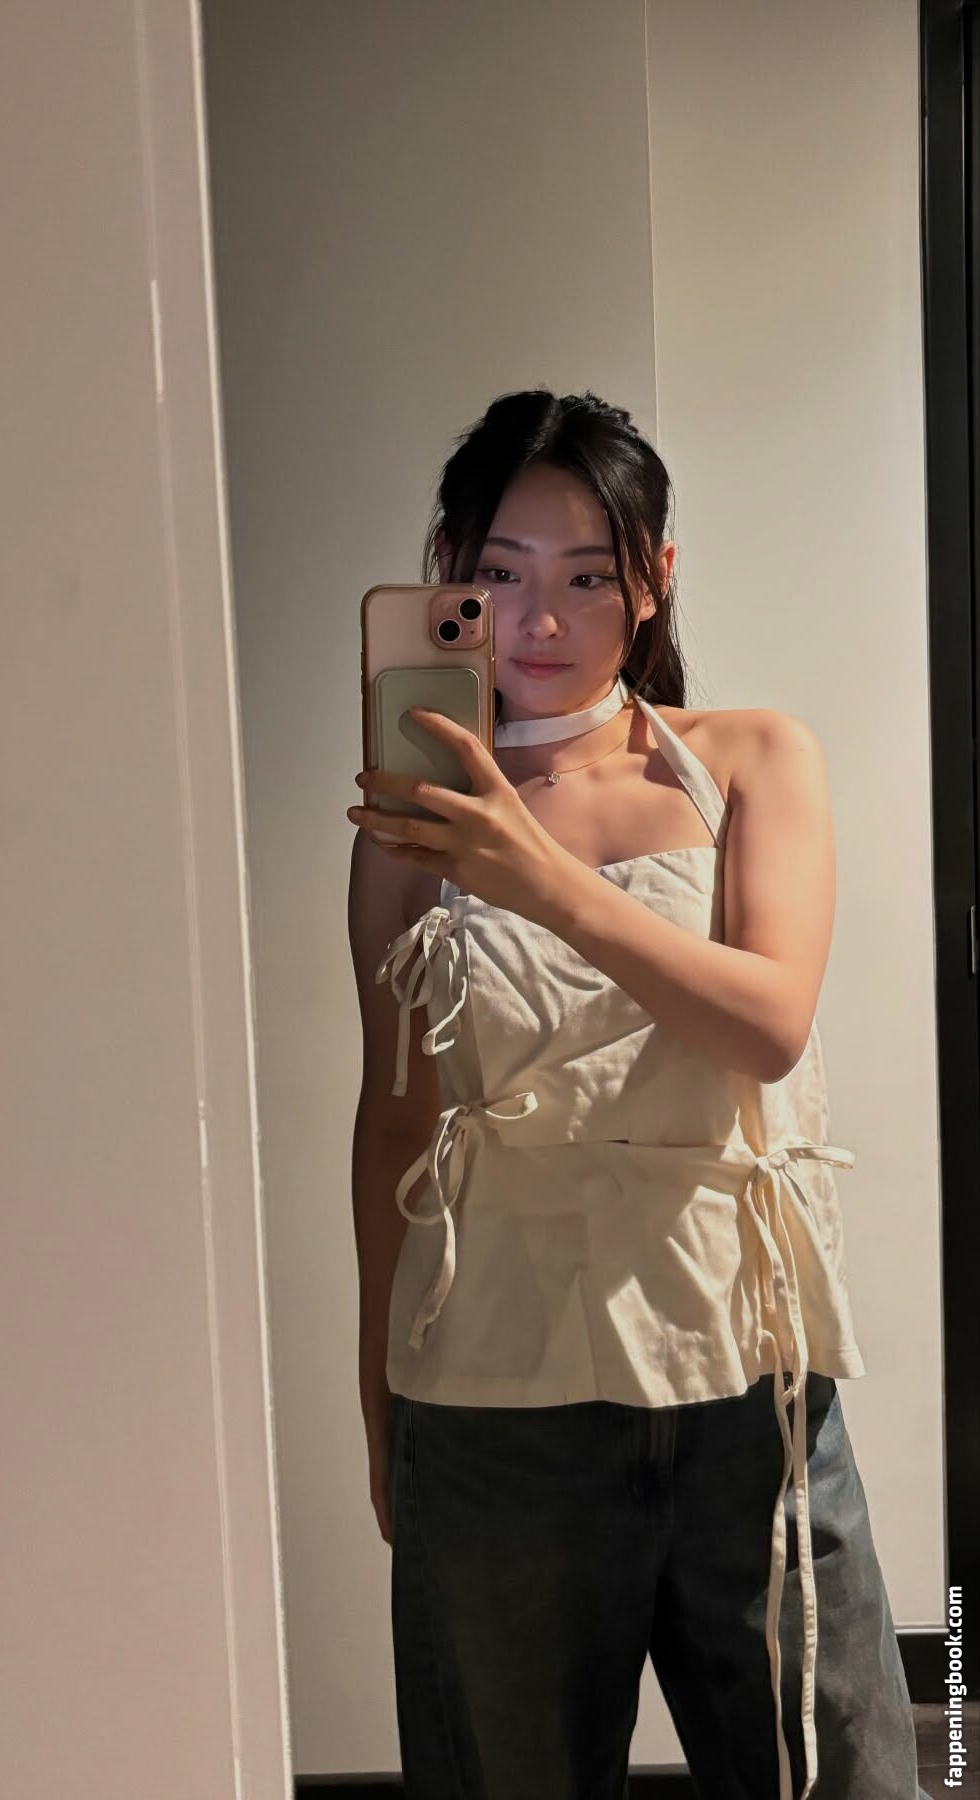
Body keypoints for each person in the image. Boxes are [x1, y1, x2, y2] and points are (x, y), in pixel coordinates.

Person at [345, 390, 930, 1799]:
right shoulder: (412, 827)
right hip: (492, 1393)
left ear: (656, 578)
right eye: (500, 573)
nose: (542, 619)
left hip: (745, 1372)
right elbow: (395, 1116)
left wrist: (540, 881)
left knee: (845, 1771)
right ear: (449, 574)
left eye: (589, 576)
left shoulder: (751, 759)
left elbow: (768, 1023)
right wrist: (377, 1401)